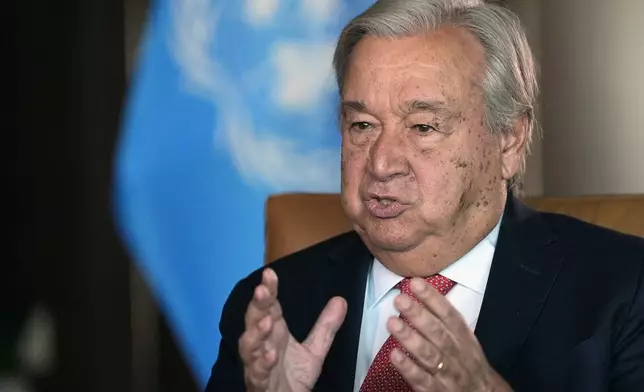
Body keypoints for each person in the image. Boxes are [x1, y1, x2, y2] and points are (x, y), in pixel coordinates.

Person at [205, 0, 644, 391]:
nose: (381, 164)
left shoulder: (624, 290)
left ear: (508, 142)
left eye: (422, 127)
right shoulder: (273, 308)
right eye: (362, 126)